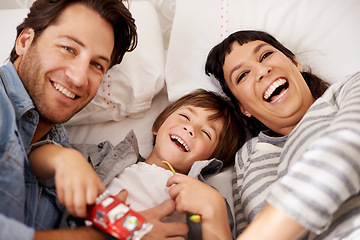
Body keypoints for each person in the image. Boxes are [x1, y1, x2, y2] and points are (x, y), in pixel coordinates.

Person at [0, 0, 188, 239]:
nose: (79, 78)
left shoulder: (72, 160)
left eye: (97, 65)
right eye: (68, 48)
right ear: (25, 41)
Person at [29, 89, 245, 240]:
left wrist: (212, 207)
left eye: (206, 133)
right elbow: (33, 158)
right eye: (185, 117)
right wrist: (65, 159)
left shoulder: (206, 200)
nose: (190, 129)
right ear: (158, 126)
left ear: (212, 162)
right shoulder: (107, 156)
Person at [204, 30, 360, 239]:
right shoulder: (246, 158)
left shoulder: (347, 88)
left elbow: (347, 150)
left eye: (265, 55)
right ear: (242, 107)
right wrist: (213, 213)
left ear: (295, 63)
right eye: (242, 75)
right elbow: (246, 229)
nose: (261, 71)